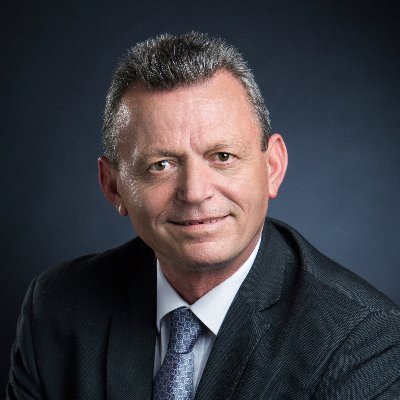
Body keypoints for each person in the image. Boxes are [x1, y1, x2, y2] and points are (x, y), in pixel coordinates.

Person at [7, 32, 400, 400]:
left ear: (273, 167)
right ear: (114, 187)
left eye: (222, 156)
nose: (195, 192)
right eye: (161, 164)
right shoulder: (57, 308)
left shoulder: (364, 343)